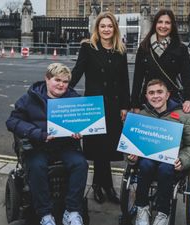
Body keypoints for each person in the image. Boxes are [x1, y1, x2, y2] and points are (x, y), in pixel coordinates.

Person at [6, 63, 88, 225]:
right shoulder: (30, 98)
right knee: (37, 166)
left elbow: (83, 123)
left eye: (65, 82)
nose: (61, 85)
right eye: (57, 80)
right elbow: (12, 121)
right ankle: (45, 214)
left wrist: (80, 130)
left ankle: (72, 211)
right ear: (47, 79)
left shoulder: (74, 99)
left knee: (81, 164)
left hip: (65, 145)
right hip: (38, 145)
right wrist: (38, 134)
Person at [70, 11, 130, 204]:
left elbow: (124, 81)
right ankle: (104, 186)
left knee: (107, 148)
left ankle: (102, 185)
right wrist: (62, 88)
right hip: (94, 106)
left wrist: (125, 106)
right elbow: (78, 71)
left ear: (115, 29)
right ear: (97, 28)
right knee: (98, 149)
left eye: (110, 26)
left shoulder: (120, 49)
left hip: (113, 106)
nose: (106, 29)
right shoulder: (88, 47)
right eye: (103, 26)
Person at [127, 79, 190, 225]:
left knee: (165, 168)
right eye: (151, 93)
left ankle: (163, 213)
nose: (155, 96)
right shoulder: (141, 116)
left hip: (171, 163)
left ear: (167, 95)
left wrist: (183, 160)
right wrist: (131, 157)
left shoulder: (183, 116)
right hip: (147, 162)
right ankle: (142, 208)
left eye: (159, 92)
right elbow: (129, 145)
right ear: (146, 96)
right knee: (145, 165)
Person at [131, 9, 190, 114]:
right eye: (160, 22)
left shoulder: (180, 49)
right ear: (155, 24)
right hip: (148, 102)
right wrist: (135, 104)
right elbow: (137, 78)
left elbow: (187, 76)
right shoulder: (144, 48)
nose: (163, 26)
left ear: (172, 26)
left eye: (167, 23)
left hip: (172, 102)